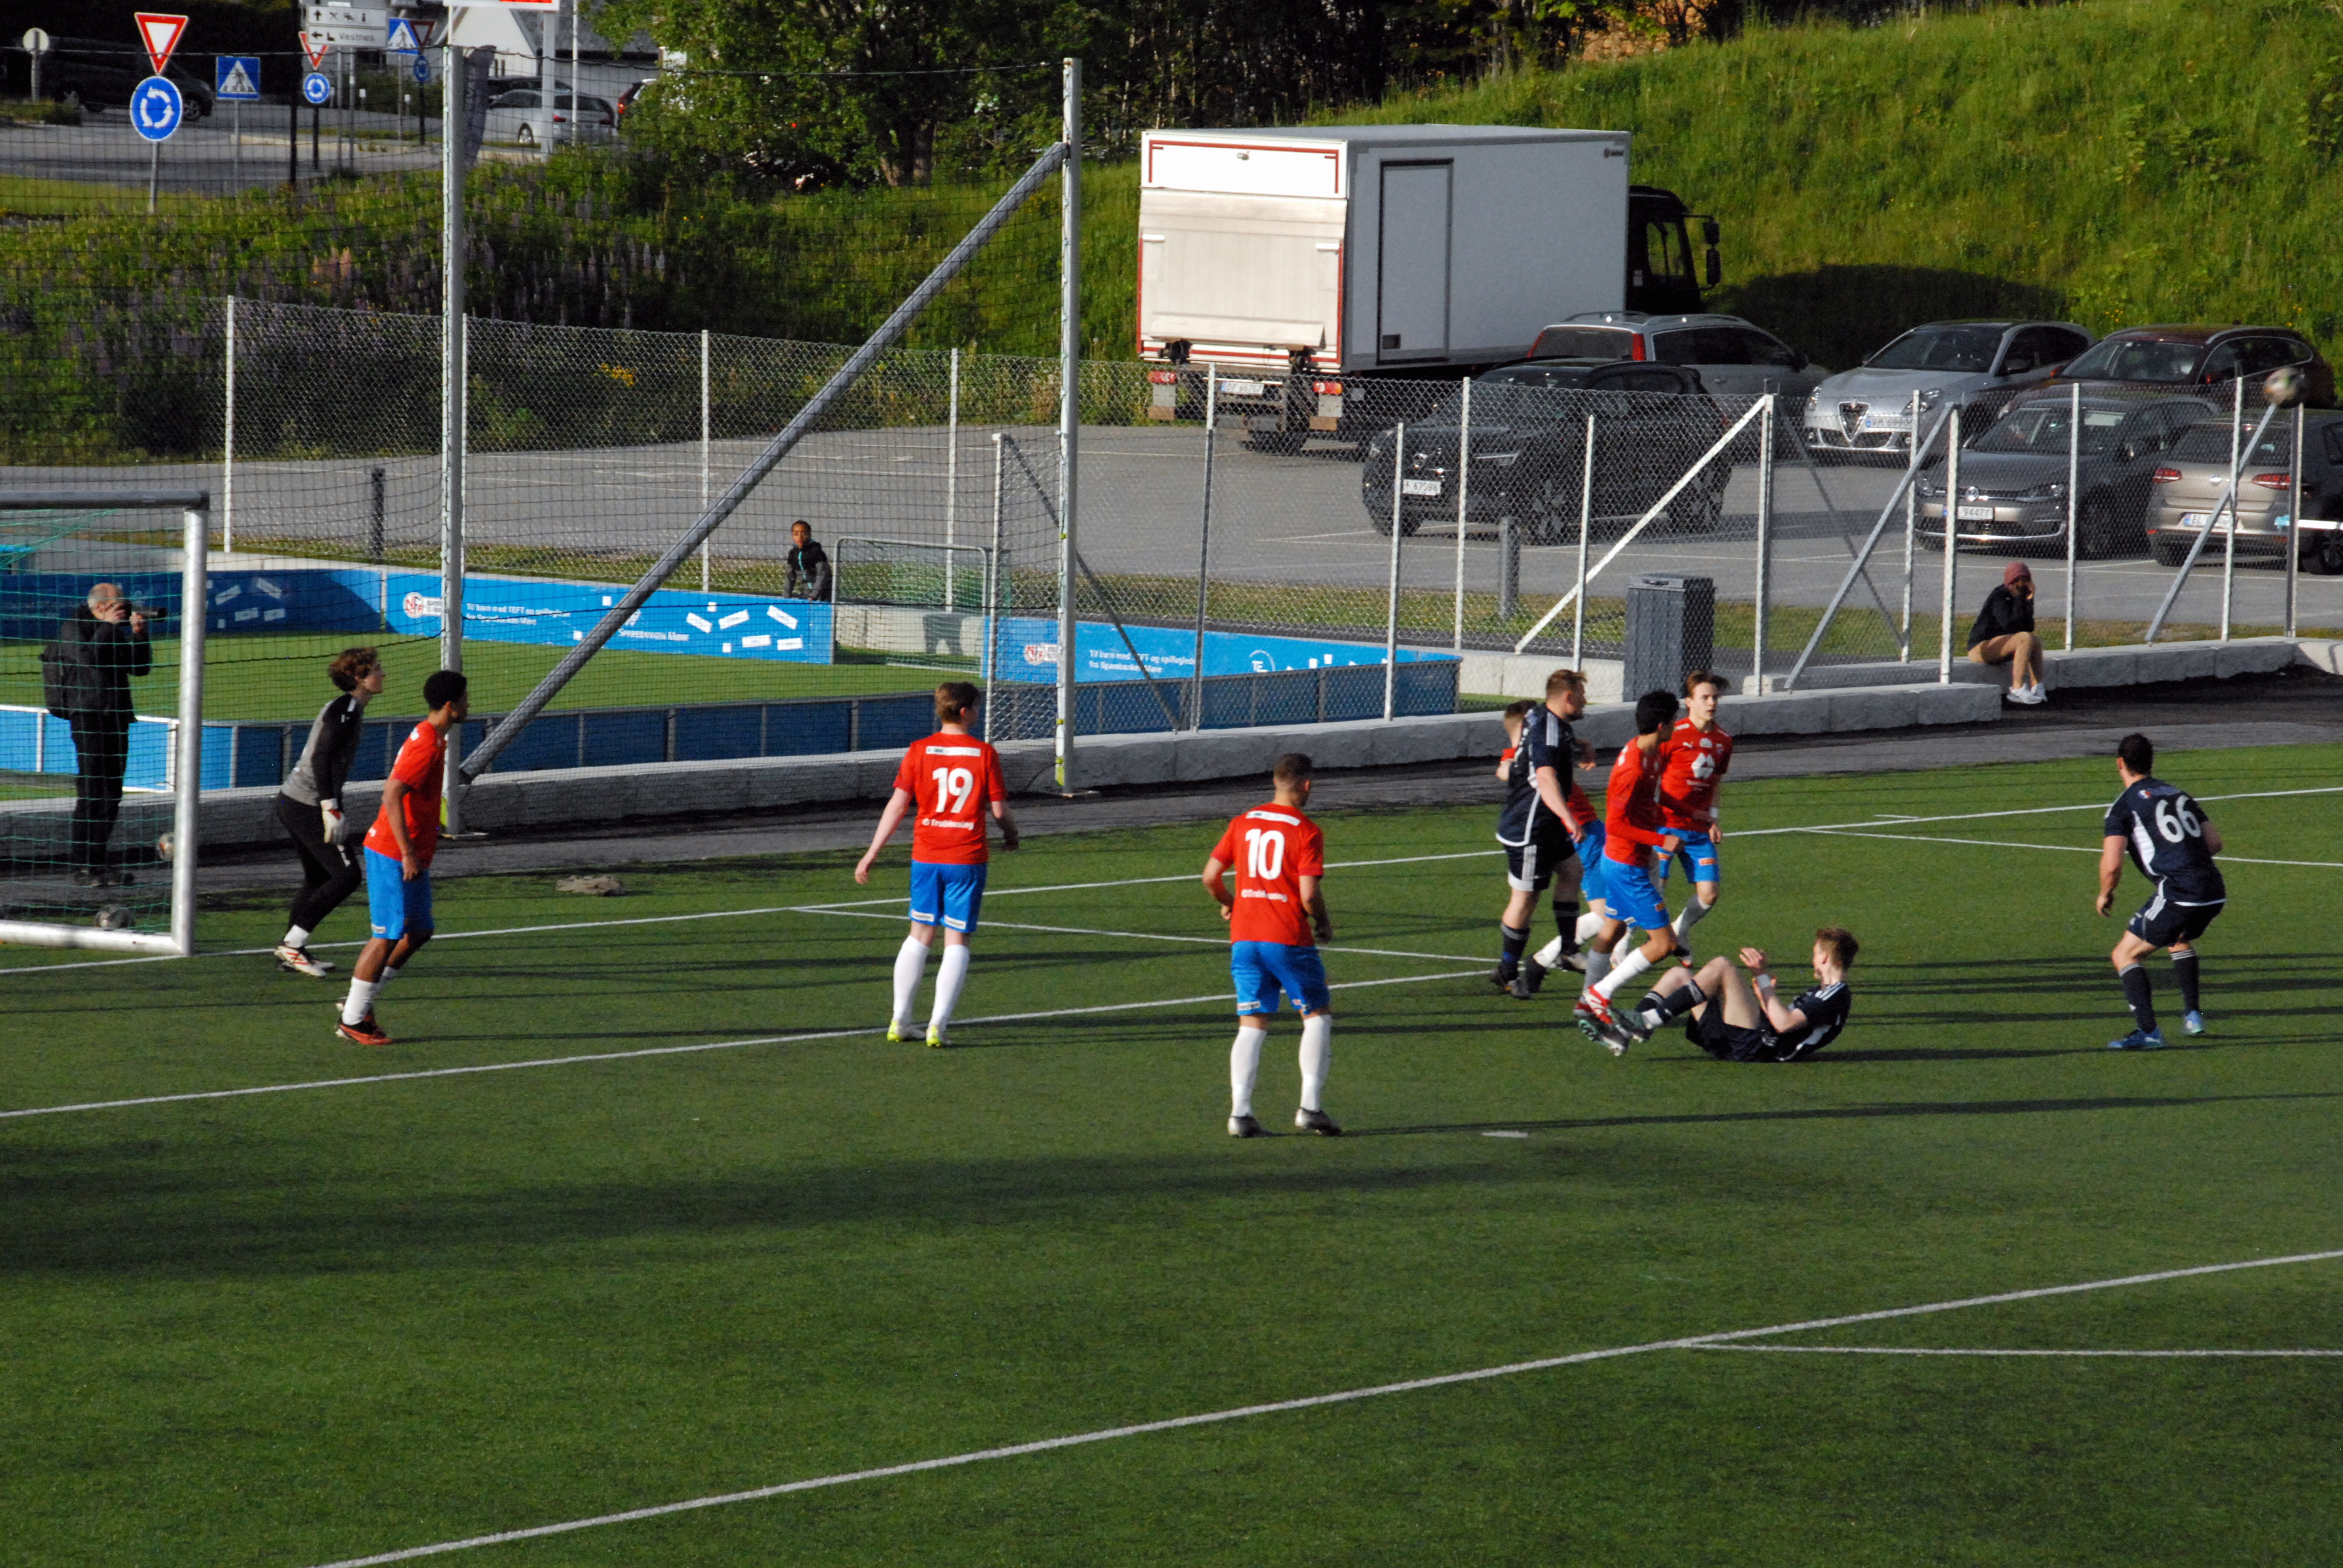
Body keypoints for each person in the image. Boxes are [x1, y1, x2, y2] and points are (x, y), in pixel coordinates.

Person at [854, 681, 1020, 1047]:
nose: (978, 712)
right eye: (976, 707)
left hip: (926, 857)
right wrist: (1012, 835)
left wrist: (872, 853)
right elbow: (999, 811)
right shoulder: (983, 754)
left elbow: (898, 805)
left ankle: (900, 1019)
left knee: (919, 934)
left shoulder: (919, 749)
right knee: (957, 939)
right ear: (965, 712)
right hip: (965, 858)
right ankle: (938, 1026)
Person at [1204, 753, 1340, 1137]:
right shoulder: (1306, 830)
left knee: (1252, 1023)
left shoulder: (1243, 821)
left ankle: (1240, 1114)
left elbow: (1211, 876)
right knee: (1316, 1016)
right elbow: (1308, 894)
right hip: (1286, 937)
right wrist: (1323, 922)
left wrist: (1232, 903)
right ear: (1306, 785)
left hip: (1244, 938)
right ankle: (1310, 1107)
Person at [335, 670, 468, 1047]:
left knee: (419, 931)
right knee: (385, 937)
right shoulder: (426, 745)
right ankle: (352, 1020)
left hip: (412, 855)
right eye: (465, 700)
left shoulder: (434, 738)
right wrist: (408, 853)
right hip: (393, 853)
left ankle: (360, 1003)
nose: (469, 705)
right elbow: (391, 794)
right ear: (451, 705)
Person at [2097, 732, 2224, 1050]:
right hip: (2214, 889)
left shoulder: (2124, 806)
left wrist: (2105, 893)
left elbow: (2112, 865)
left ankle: (2149, 1032)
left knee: (2124, 954)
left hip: (2180, 892)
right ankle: (2193, 1016)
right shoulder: (2178, 793)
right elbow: (2214, 843)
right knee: (2176, 937)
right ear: (2151, 762)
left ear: (2120, 763)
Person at [1574, 690, 1688, 1044]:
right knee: (1664, 943)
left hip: (1625, 861)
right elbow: (1616, 824)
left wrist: (1688, 813)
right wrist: (1659, 840)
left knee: (1613, 930)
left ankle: (1586, 1004)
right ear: (1662, 725)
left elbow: (1651, 798)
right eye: (1674, 720)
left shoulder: (1649, 753)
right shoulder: (1633, 768)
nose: (1677, 725)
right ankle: (1599, 994)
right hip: (1627, 866)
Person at [274, 647, 385, 978]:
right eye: (376, 669)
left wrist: (332, 804)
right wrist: (330, 807)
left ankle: (291, 950)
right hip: (306, 804)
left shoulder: (350, 709)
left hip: (294, 802)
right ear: (359, 678)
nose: (383, 674)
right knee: (347, 876)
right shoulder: (345, 710)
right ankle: (293, 945)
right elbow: (321, 758)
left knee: (319, 877)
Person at [1490, 670, 1600, 1000]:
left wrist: (1581, 746)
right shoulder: (1547, 728)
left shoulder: (1544, 717)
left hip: (1546, 824)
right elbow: (1546, 777)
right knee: (1525, 900)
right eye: (1581, 695)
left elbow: (1535, 743)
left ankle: (1567, 950)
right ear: (1567, 697)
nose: (1585, 701)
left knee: (1572, 871)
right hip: (1531, 828)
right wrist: (1569, 818)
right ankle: (1508, 971)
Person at [1607, 929, 1859, 1061]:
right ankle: (1625, 1031)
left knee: (1722, 966)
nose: (1813, 959)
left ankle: (1649, 1021)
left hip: (1762, 1048)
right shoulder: (1823, 992)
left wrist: (1762, 978)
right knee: (1679, 975)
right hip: (1753, 1041)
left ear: (1824, 957)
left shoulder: (1834, 995)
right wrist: (1763, 993)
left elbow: (1783, 1025)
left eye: (1815, 954)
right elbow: (1782, 1021)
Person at [50, 582, 152, 887]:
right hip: (88, 716)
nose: (124, 608)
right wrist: (108, 627)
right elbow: (90, 658)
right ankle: (84, 866)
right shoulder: (74, 627)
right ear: (100, 606)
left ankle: (99, 862)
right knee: (92, 791)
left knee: (112, 793)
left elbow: (139, 667)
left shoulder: (112, 628)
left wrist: (139, 634)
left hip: (116, 715)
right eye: (118, 604)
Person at [1656, 669, 1735, 952]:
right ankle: (1623, 945)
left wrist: (1713, 819)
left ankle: (1680, 930)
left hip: (1698, 828)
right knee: (1655, 889)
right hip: (1666, 823)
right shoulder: (1672, 735)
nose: (1711, 703)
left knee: (1709, 894)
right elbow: (1653, 777)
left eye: (1715, 698)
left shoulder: (1724, 741)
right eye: (1705, 698)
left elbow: (1716, 782)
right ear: (1689, 702)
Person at [1968, 561, 2046, 705]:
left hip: (2003, 646)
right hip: (1981, 647)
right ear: (2011, 580)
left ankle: (2038, 687)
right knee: (2024, 638)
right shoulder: (1999, 596)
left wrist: (2029, 601)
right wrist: (2018, 599)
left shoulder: (2022, 597)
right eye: (2018, 581)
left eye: (2026, 580)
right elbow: (2009, 625)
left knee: (2034, 640)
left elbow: (2029, 627)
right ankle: (2017, 688)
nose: (2022, 585)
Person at [785, 520, 833, 603]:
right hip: (806, 593)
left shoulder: (816, 552)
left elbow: (822, 575)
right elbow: (790, 577)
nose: (800, 537)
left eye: (804, 534)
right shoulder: (793, 554)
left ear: (809, 534)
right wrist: (786, 597)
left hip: (824, 593)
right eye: (796, 534)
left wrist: (814, 595)